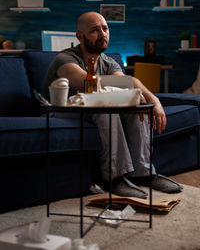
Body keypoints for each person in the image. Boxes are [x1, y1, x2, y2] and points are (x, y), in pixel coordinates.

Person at [43, 11, 183, 198]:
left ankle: (144, 174)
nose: (102, 34)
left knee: (135, 108)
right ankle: (114, 179)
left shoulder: (109, 62)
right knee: (107, 111)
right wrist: (128, 88)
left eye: (105, 28)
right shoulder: (65, 58)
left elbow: (127, 81)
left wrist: (154, 100)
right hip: (60, 112)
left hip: (92, 109)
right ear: (80, 36)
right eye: (95, 30)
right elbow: (85, 81)